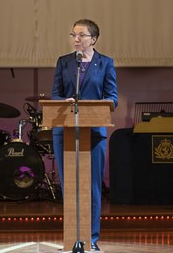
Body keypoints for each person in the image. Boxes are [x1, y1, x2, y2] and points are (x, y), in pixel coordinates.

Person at [51, 19, 118, 251]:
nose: (76, 39)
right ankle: (72, 238)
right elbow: (55, 96)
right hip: (65, 131)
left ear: (94, 39)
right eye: (73, 35)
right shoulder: (64, 62)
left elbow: (113, 97)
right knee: (69, 186)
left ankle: (91, 239)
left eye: (81, 35)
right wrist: (65, 101)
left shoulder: (105, 63)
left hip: (94, 132)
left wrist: (97, 105)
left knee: (92, 187)